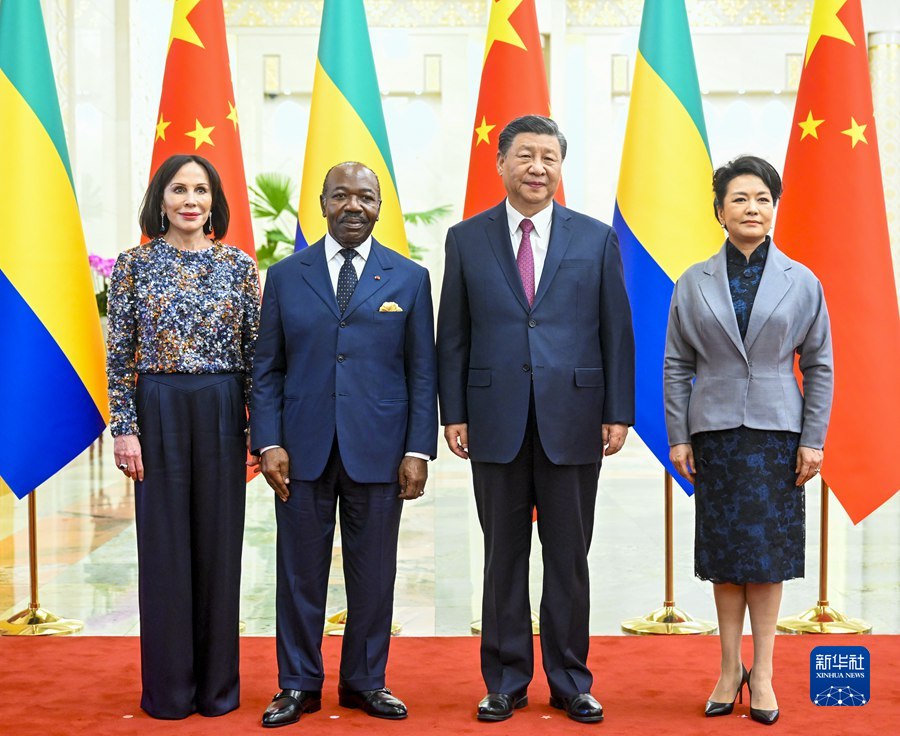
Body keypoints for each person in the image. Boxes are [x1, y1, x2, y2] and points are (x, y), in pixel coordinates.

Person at [436, 115, 635, 724]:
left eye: (549, 157)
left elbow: (616, 331)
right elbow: (454, 334)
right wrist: (453, 412)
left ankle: (571, 680)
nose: (537, 168)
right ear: (501, 162)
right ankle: (505, 680)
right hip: (493, 418)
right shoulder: (466, 239)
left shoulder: (595, 239)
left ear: (560, 167)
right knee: (502, 556)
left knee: (569, 557)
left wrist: (617, 411)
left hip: (574, 418)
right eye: (525, 155)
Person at [252, 162, 437, 727]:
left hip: (380, 452)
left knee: (374, 575)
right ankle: (297, 684)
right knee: (298, 575)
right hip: (300, 451)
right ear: (322, 204)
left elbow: (422, 372)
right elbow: (268, 369)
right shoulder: (286, 276)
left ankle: (364, 681)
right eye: (341, 196)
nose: (353, 206)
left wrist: (417, 450)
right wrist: (268, 441)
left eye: (365, 197)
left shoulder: (409, 278)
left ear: (379, 206)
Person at [664, 155, 833, 726]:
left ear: (775, 207)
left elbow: (820, 364)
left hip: (777, 436)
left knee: (765, 560)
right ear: (719, 210)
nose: (752, 208)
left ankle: (762, 673)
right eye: (739, 198)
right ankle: (727, 668)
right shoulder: (692, 281)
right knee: (726, 559)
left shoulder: (802, 281)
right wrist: (679, 435)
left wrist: (813, 438)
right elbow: (676, 364)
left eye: (762, 198)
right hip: (714, 436)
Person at [106, 154, 260, 718]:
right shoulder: (133, 265)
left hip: (223, 409)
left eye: (201, 190)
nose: (190, 200)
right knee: (164, 551)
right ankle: (169, 692)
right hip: (158, 409)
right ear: (161, 199)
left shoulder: (239, 266)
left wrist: (259, 431)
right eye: (178, 189)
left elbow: (256, 356)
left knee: (220, 549)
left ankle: (218, 690)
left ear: (215, 200)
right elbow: (119, 355)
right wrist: (125, 429)